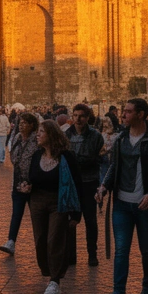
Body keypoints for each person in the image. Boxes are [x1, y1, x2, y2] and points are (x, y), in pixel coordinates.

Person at [98, 97, 148, 294]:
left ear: (141, 114)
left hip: (146, 204)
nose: (123, 115)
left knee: (146, 248)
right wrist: (104, 187)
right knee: (121, 249)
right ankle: (118, 293)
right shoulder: (121, 139)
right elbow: (114, 167)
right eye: (124, 111)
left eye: (129, 111)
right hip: (122, 203)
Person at [23, 120, 83, 294]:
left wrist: (76, 214)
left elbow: (76, 184)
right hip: (37, 201)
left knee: (54, 239)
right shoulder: (37, 156)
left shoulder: (66, 157)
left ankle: (55, 279)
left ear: (51, 134)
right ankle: (48, 270)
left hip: (58, 201)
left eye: (42, 131)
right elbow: (31, 177)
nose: (38, 135)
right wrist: (26, 186)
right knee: (40, 239)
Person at [64, 103, 105, 266]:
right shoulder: (66, 135)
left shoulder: (95, 136)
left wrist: (78, 161)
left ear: (87, 118)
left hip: (89, 182)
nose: (78, 119)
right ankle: (70, 255)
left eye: (81, 116)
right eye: (75, 116)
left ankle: (92, 254)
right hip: (71, 183)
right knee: (70, 220)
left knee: (90, 220)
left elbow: (98, 158)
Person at [1, 112, 41, 255]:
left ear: (32, 125)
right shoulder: (17, 137)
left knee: (36, 215)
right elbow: (12, 155)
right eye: (20, 122)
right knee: (16, 213)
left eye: (25, 123)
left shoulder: (36, 140)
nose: (21, 125)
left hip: (33, 183)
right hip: (18, 181)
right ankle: (11, 241)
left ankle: (41, 243)